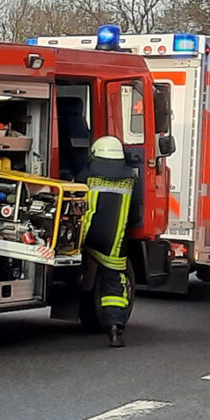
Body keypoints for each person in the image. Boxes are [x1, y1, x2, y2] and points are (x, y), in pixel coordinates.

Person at [81, 135, 136, 346]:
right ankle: (115, 330)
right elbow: (135, 212)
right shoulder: (131, 179)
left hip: (87, 237)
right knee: (113, 284)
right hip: (114, 243)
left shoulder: (86, 175)